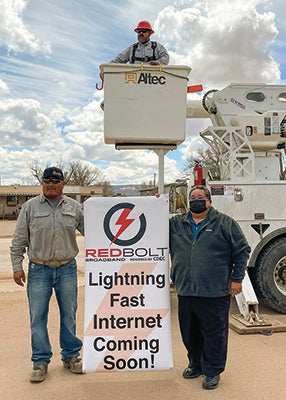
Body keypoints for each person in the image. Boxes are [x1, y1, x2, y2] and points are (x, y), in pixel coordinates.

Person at [169, 185, 251, 390]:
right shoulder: (176, 224)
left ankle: (213, 370)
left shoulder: (224, 223)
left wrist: (237, 279)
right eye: (192, 197)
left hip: (215, 291)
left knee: (215, 334)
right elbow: (151, 224)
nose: (195, 200)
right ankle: (195, 364)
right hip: (186, 289)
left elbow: (242, 251)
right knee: (190, 333)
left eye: (200, 197)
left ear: (209, 201)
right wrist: (154, 203)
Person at [10, 167, 84, 383]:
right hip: (38, 270)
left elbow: (97, 228)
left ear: (63, 183)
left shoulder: (74, 207)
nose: (51, 184)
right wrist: (17, 266)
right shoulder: (30, 207)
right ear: (42, 183)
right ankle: (40, 361)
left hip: (67, 268)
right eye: (47, 180)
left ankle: (71, 356)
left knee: (69, 314)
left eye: (55, 180)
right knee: (37, 317)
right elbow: (19, 239)